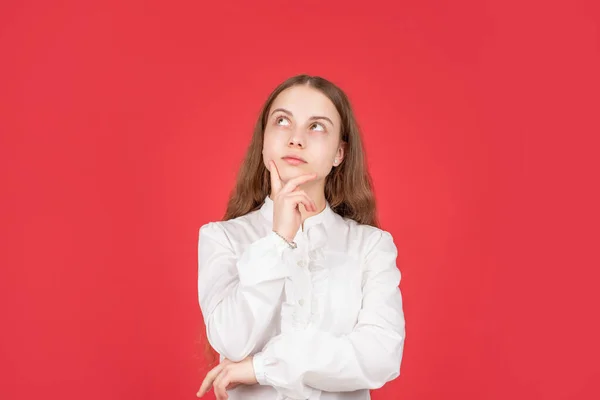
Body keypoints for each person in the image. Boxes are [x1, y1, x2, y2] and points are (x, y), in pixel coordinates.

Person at [196, 74, 406, 400]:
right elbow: (231, 340)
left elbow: (381, 355)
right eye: (282, 121)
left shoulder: (371, 247)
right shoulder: (222, 238)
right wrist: (279, 238)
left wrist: (263, 368)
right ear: (263, 140)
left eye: (316, 126)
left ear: (339, 153)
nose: (296, 139)